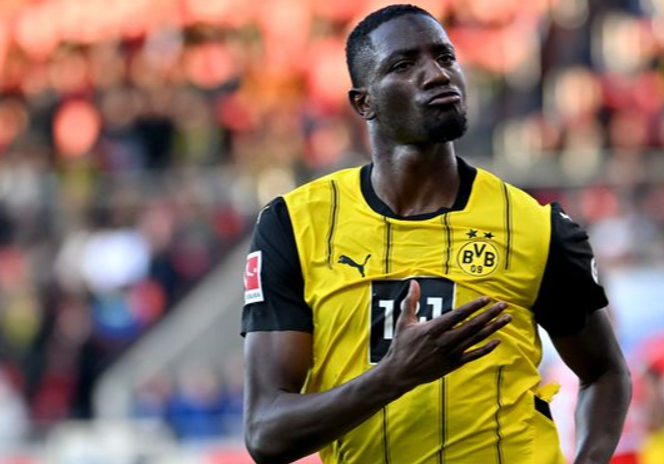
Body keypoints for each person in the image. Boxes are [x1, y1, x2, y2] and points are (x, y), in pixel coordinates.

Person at [242, 4, 631, 463]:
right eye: (405, 65)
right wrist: (394, 376)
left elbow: (606, 373)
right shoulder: (294, 225)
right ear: (362, 102)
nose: (437, 75)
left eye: (445, 58)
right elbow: (266, 434)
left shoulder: (532, 225)